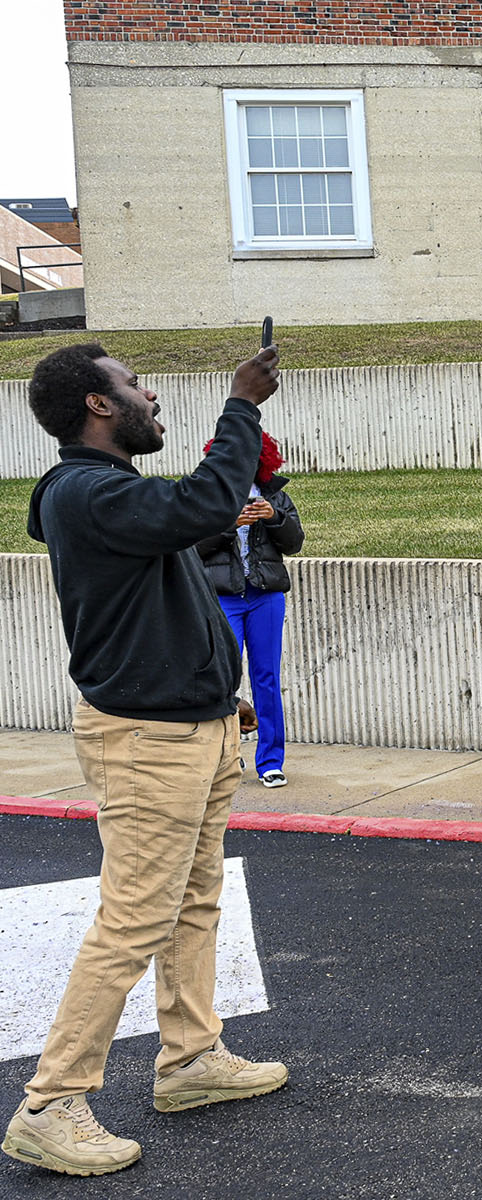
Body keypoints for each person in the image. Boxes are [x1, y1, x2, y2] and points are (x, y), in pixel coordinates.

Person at [5, 343, 288, 1178]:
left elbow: (171, 593)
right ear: (97, 405)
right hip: (145, 742)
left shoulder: (113, 494)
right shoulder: (86, 491)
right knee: (134, 916)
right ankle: (51, 1103)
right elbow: (205, 506)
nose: (150, 394)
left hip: (192, 725)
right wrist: (242, 405)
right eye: (133, 385)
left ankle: (192, 1059)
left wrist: (217, 693)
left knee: (195, 900)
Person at [196, 432, 303, 788]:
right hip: (224, 597)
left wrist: (273, 517)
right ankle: (227, 756)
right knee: (224, 679)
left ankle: (271, 761)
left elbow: (294, 543)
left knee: (267, 678)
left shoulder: (275, 496)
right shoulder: (208, 497)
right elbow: (193, 547)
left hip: (265, 596)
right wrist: (230, 525)